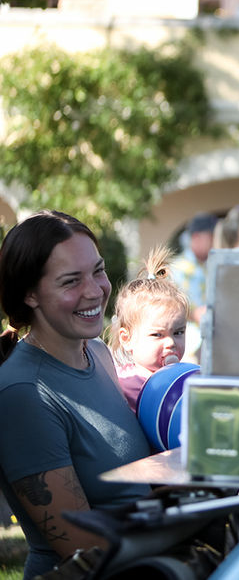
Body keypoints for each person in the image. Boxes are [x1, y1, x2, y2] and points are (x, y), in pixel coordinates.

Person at [0, 211, 151, 577]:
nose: (95, 290)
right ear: (30, 294)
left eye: (98, 271)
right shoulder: (23, 392)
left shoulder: (97, 352)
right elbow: (82, 547)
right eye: (71, 281)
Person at [107, 246, 189, 411]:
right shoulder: (126, 384)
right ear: (127, 339)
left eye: (178, 332)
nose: (171, 343)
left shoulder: (181, 378)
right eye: (157, 334)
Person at [170, 211, 216, 326]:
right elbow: (168, 307)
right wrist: (193, 313)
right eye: (212, 236)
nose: (215, 242)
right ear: (196, 237)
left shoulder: (212, 265)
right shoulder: (175, 269)